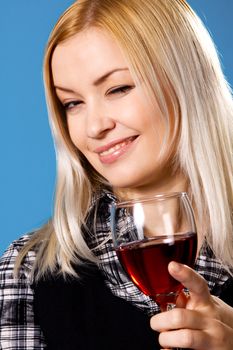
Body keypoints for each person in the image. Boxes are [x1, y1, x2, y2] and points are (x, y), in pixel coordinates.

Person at [0, 0, 233, 349]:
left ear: (187, 79)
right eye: (72, 103)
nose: (94, 127)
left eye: (118, 88)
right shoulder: (27, 272)